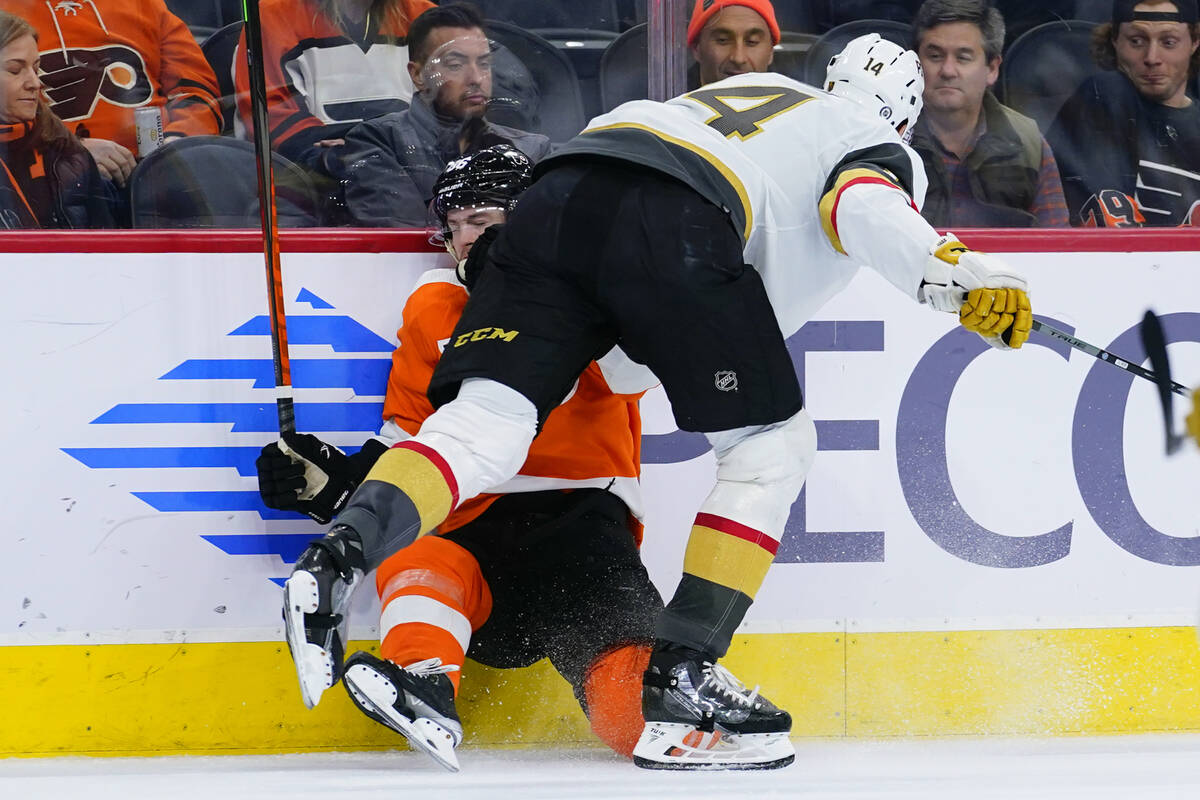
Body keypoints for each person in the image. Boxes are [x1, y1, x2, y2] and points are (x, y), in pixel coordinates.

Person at [283, 33, 1034, 770]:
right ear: (901, 117)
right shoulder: (870, 135)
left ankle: (336, 560)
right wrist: (957, 275)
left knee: (484, 422)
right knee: (770, 448)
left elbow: (625, 356)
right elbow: (862, 205)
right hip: (672, 215)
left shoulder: (742, 95)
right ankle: (687, 666)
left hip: (560, 191)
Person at [265, 145, 662, 770]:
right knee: (415, 556)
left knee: (635, 698)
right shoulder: (431, 307)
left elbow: (637, 370)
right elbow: (409, 444)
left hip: (577, 529)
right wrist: (331, 484)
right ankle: (423, 683)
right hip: (465, 527)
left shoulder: (591, 292)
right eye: (464, 223)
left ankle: (665, 725)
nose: (476, 238)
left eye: (495, 220)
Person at [339, 2, 551, 227]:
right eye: (455, 64)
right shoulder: (377, 142)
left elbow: (543, 236)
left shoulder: (532, 150)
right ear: (418, 75)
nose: (476, 78)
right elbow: (408, 241)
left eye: (484, 64)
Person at [12, 0, 222, 190]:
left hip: (157, 178)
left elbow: (197, 93)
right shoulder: (8, 17)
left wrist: (175, 145)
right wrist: (69, 152)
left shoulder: (147, 6)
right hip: (51, 183)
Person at [907, 0, 1069, 227]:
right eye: (935, 56)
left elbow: (1056, 247)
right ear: (915, 63)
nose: (947, 71)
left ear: (992, 69)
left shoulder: (1027, 144)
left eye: (963, 58)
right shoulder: (885, 137)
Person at [233, 0, 436, 171]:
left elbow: (452, 111)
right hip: (309, 178)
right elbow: (272, 117)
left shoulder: (427, 17)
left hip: (413, 165)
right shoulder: (273, 16)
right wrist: (342, 154)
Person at [1047, 0, 1200, 226]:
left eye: (1169, 42)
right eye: (1136, 41)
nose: (1152, 57)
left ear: (1194, 43)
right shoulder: (1104, 96)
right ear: (1115, 41)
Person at [0, 11, 112, 229]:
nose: (35, 83)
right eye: (15, 70)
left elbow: (107, 252)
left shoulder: (68, 152)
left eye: (35, 68)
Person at [688, 0, 779, 87]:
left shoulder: (791, 99)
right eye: (723, 40)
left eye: (752, 41)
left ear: (771, 51)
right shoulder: (677, 101)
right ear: (696, 48)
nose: (738, 58)